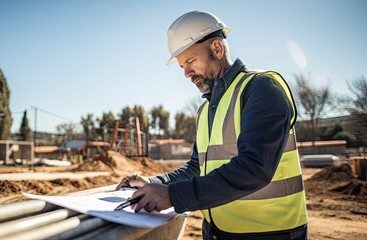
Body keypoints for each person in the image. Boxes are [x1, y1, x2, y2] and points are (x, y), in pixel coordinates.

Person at [116, 11, 308, 240]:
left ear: (217, 49)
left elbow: (255, 167)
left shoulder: (261, 88)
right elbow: (197, 167)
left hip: (270, 233)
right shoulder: (207, 109)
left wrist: (173, 196)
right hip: (218, 231)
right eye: (182, 67)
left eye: (190, 61)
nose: (187, 73)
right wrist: (155, 183)